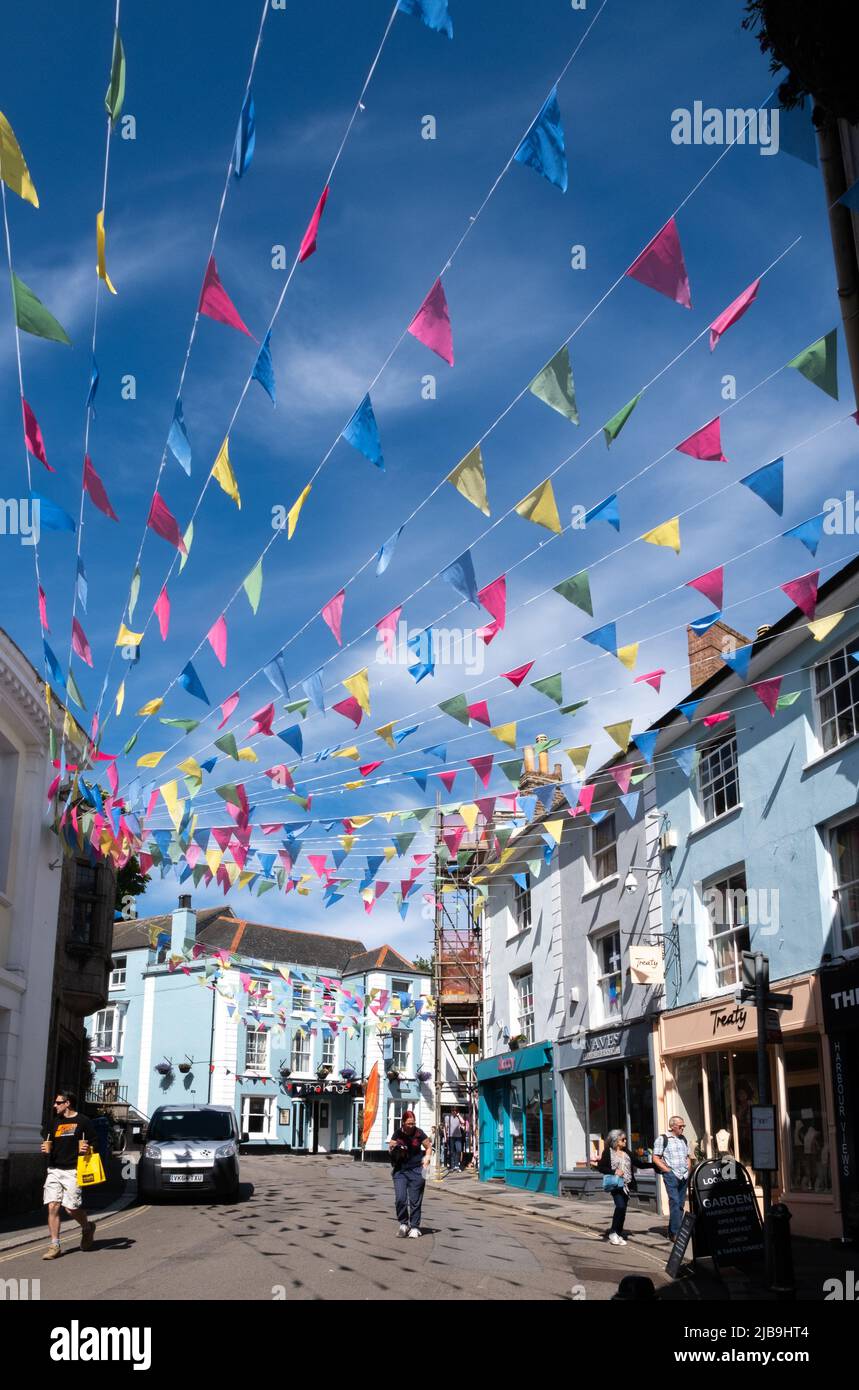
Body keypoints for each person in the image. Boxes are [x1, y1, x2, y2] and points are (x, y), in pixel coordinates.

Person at [41, 1090, 98, 1260]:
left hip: (74, 1169)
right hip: (54, 1169)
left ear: (68, 1103)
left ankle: (87, 1227)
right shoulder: (54, 1122)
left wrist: (88, 1148)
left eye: (58, 1103)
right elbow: (48, 1141)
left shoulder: (83, 1121)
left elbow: (96, 1141)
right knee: (52, 1206)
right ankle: (55, 1245)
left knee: (71, 1208)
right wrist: (45, 1150)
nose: (55, 1106)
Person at [388, 1110, 432, 1238]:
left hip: (416, 1170)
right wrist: (393, 1148)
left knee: (415, 1200)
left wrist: (426, 1160)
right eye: (409, 1123)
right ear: (403, 1123)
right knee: (400, 1199)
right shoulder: (398, 1133)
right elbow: (390, 1148)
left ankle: (415, 1226)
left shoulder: (419, 1133)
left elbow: (428, 1147)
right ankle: (403, 1224)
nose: (411, 1126)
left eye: (413, 1123)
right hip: (400, 1170)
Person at [652, 1115, 693, 1240]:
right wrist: (667, 1171)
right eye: (681, 1126)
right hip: (671, 1175)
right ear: (673, 1126)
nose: (682, 1128)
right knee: (674, 1201)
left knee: (680, 1203)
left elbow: (688, 1156)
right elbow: (655, 1158)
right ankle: (676, 1232)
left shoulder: (683, 1139)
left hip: (684, 1175)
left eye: (683, 1126)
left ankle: (672, 1231)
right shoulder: (662, 1139)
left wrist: (688, 1168)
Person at [596, 1129, 638, 1246]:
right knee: (620, 1206)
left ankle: (618, 1233)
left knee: (623, 1210)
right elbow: (600, 1168)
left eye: (625, 1139)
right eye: (622, 1139)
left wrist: (655, 1165)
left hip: (626, 1185)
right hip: (616, 1185)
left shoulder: (626, 1152)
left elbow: (638, 1163)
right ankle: (613, 1232)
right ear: (616, 1141)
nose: (625, 1141)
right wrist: (614, 1171)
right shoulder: (608, 1152)